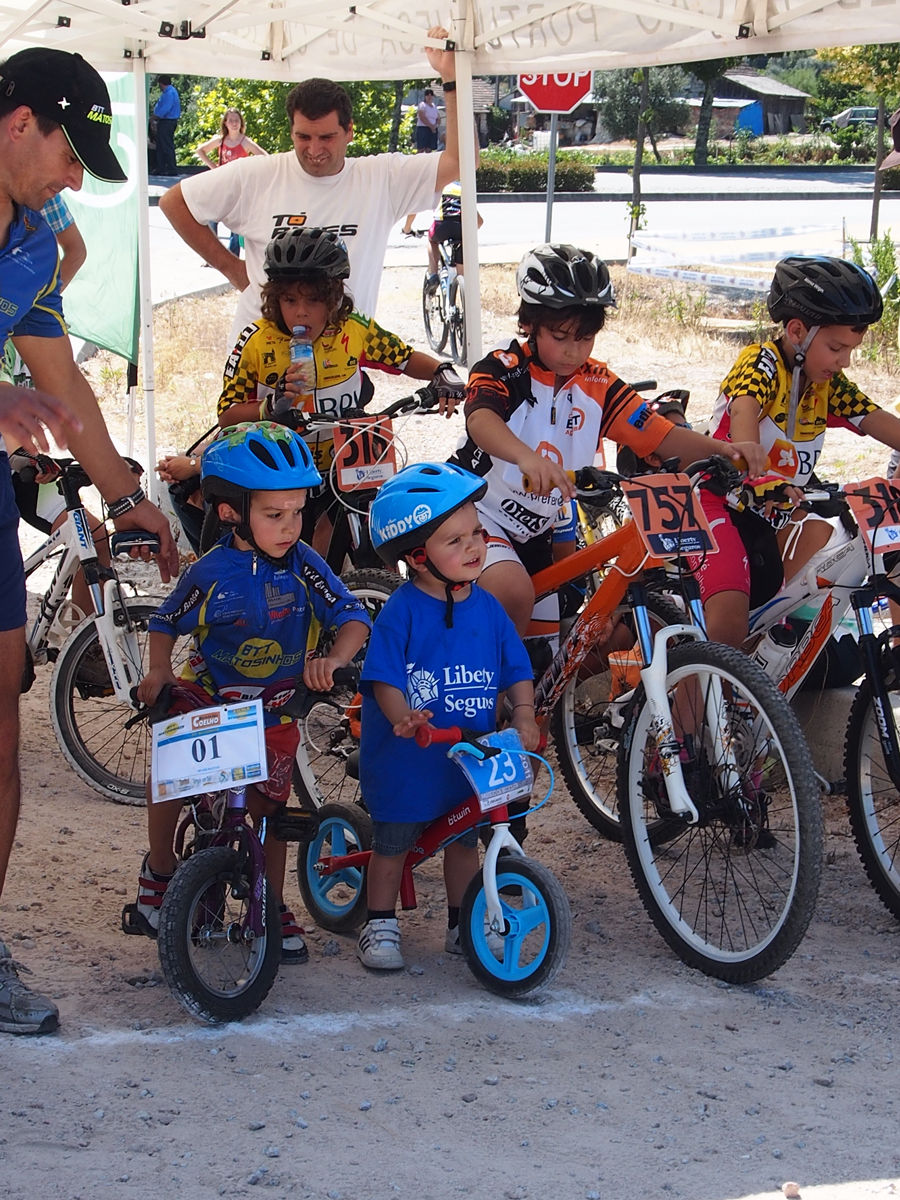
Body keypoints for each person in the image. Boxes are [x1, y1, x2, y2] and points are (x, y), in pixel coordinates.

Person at [0, 46, 178, 1036]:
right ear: (20, 121)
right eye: (73, 155)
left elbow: (62, 386)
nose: (76, 181)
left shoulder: (29, 241)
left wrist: (126, 496)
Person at [131, 423, 371, 962]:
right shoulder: (211, 571)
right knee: (170, 775)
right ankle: (160, 872)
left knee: (269, 809)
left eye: (297, 512)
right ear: (229, 511)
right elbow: (165, 621)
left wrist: (333, 658)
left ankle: (271, 901)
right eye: (274, 515)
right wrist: (157, 672)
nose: (291, 527)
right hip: (211, 696)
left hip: (277, 703)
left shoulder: (307, 566)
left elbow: (354, 615)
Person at [452, 243, 767, 640]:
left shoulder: (599, 382)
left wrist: (725, 450)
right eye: (560, 336)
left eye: (585, 339)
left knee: (574, 645)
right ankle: (475, 698)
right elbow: (481, 419)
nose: (572, 351)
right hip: (479, 515)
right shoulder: (502, 368)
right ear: (530, 322)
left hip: (541, 528)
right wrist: (526, 457)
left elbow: (661, 435)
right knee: (513, 593)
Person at [160, 29, 461, 344]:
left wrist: (450, 79)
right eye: (303, 137)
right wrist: (231, 268)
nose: (314, 150)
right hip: (262, 368)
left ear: (349, 132)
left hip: (340, 366)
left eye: (326, 137)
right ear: (291, 131)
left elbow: (459, 162)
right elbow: (174, 202)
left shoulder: (380, 178)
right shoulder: (258, 174)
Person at [356, 462, 538, 969]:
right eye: (455, 541)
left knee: (462, 845)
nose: (475, 547)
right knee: (392, 846)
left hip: (465, 756)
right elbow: (385, 679)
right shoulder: (401, 611)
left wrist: (523, 713)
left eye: (477, 532)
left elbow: (514, 666)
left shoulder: (488, 607)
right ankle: (379, 924)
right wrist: (403, 717)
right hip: (409, 760)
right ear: (417, 558)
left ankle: (463, 925)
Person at [691, 255, 900, 650]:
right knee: (728, 628)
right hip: (716, 501)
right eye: (836, 347)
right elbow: (744, 411)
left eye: (852, 349)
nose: (845, 361)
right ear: (797, 330)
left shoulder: (826, 384)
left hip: (766, 515)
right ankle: (689, 711)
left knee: (758, 630)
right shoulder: (762, 362)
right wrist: (755, 466)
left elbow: (876, 419)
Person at [217, 226, 465, 552]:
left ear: (334, 299)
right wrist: (270, 407)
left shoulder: (352, 329)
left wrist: (442, 372)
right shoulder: (255, 341)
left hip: (345, 461)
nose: (301, 312)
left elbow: (403, 357)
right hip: (282, 471)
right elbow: (226, 415)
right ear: (275, 299)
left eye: (314, 300)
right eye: (289, 300)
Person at [195, 109, 267, 256]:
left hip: (239, 187)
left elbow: (265, 157)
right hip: (221, 184)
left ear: (241, 123)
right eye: (231, 120)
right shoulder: (220, 140)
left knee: (235, 223)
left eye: (237, 120)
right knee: (212, 219)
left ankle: (233, 254)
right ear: (225, 123)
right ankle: (211, 254)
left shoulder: (245, 142)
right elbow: (200, 150)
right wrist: (214, 167)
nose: (234, 123)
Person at [425, 179, 482, 280]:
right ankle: (462, 283)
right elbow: (479, 221)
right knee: (462, 243)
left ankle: (433, 274)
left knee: (431, 240)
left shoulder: (438, 186)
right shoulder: (463, 188)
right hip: (461, 228)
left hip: (440, 227)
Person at [153, 75, 180, 175]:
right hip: (168, 121)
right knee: (161, 145)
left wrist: (155, 117)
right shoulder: (172, 91)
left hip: (167, 121)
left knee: (166, 145)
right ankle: (161, 167)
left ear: (161, 83)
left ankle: (171, 169)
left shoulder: (169, 93)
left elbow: (165, 108)